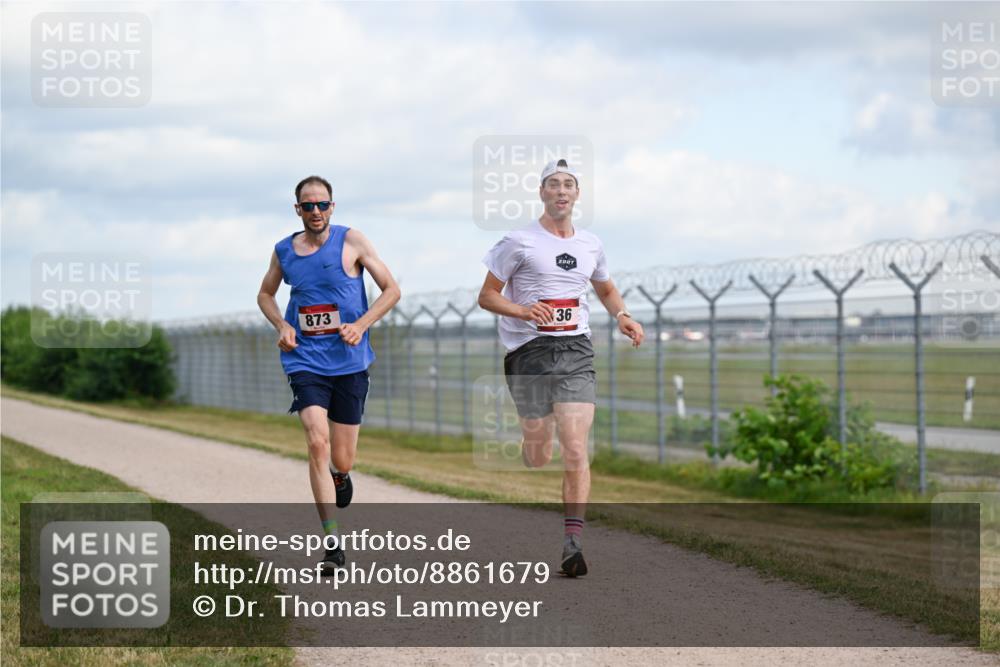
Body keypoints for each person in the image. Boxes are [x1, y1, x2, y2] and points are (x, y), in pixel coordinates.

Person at [478, 159, 644, 577]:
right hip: (528, 351)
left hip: (576, 350)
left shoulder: (590, 244)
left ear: (577, 196)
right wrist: (522, 310)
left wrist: (622, 314)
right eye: (554, 184)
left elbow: (604, 286)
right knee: (539, 454)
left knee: (575, 445)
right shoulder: (518, 241)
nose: (561, 191)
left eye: (569, 184)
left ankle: (573, 544)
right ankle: (532, 439)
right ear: (542, 193)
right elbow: (486, 296)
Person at [257, 175, 400, 572]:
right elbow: (265, 294)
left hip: (350, 362)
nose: (315, 211)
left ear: (332, 207)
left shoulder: (352, 241)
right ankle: (333, 545)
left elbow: (390, 289)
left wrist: (362, 324)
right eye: (308, 206)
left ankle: (341, 475)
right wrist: (282, 327)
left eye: (322, 205)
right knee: (316, 441)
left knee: (342, 455)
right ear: (297, 209)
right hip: (305, 360)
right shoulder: (284, 251)